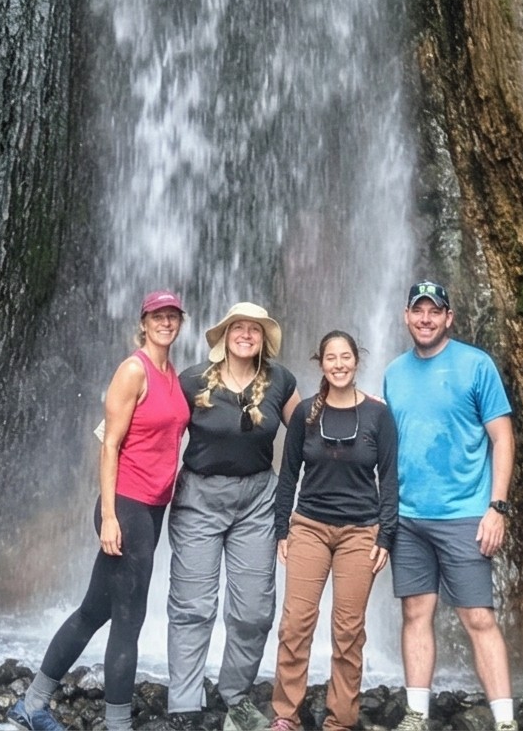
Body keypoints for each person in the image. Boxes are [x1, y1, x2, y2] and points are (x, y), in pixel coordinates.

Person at [10, 291, 193, 731]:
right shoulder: (134, 370)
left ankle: (33, 703)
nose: (165, 323)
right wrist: (109, 517)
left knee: (95, 610)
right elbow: (109, 444)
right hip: (126, 507)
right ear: (144, 323)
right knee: (129, 621)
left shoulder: (172, 375)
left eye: (172, 316)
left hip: (152, 509)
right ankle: (117, 724)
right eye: (157, 317)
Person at [382, 281, 514, 731]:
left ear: (448, 317)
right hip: (408, 515)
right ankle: (416, 713)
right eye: (418, 311)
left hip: (464, 514)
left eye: (433, 311)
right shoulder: (394, 372)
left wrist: (497, 507)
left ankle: (505, 721)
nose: (425, 319)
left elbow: (503, 437)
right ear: (406, 317)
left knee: (478, 616)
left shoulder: (477, 366)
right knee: (415, 613)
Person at [168, 302, 301, 731]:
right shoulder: (190, 381)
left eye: (255, 329)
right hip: (199, 500)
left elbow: (309, 428)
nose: (246, 334)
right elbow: (151, 425)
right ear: (224, 335)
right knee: (192, 606)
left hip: (258, 500)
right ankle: (184, 704)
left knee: (254, 611)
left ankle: (235, 696)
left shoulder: (280, 380)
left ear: (264, 339)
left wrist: (357, 401)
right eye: (238, 327)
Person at [270, 331, 397, 731]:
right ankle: (286, 714)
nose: (339, 364)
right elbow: (288, 475)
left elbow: (390, 479)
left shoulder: (379, 416)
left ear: (356, 361)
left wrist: (386, 535)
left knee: (348, 629)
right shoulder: (306, 414)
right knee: (295, 622)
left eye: (346, 357)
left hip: (360, 533)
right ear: (321, 363)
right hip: (308, 526)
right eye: (331, 358)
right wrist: (282, 529)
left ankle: (340, 720)